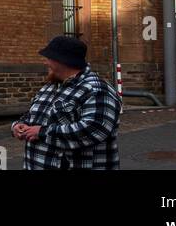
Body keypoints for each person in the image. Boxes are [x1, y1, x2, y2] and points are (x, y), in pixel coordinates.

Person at [12, 35, 122, 170]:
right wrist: (19, 125)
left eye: (49, 58)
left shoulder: (96, 89)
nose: (45, 62)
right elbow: (33, 115)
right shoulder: (50, 86)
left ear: (63, 61)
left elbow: (94, 129)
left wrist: (42, 132)